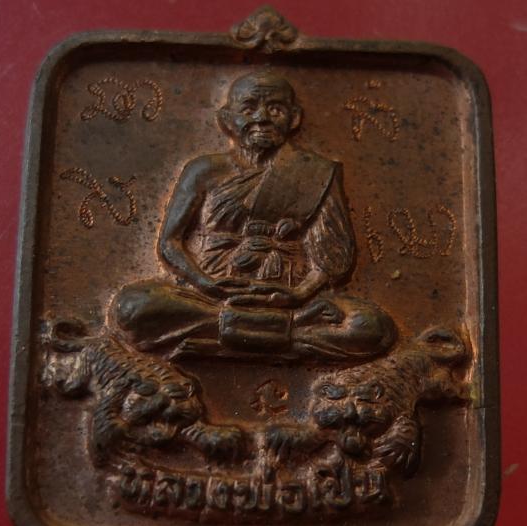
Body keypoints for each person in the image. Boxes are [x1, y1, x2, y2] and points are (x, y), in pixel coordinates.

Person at [112, 71, 395, 360]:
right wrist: (204, 282)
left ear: (294, 118)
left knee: (371, 327)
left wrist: (299, 294)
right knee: (134, 308)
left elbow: (334, 258)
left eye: (275, 109)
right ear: (227, 119)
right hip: (211, 296)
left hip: (288, 297)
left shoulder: (317, 173)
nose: (262, 118)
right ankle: (285, 335)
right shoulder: (204, 170)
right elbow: (169, 242)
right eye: (248, 108)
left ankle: (226, 334)